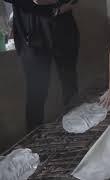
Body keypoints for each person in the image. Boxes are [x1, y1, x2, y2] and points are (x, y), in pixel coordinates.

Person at [4, 0, 80, 132]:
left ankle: (78, 131)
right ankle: (34, 142)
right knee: (37, 91)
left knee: (70, 85)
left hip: (63, 30)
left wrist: (51, 7)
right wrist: (53, 9)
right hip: (32, 34)